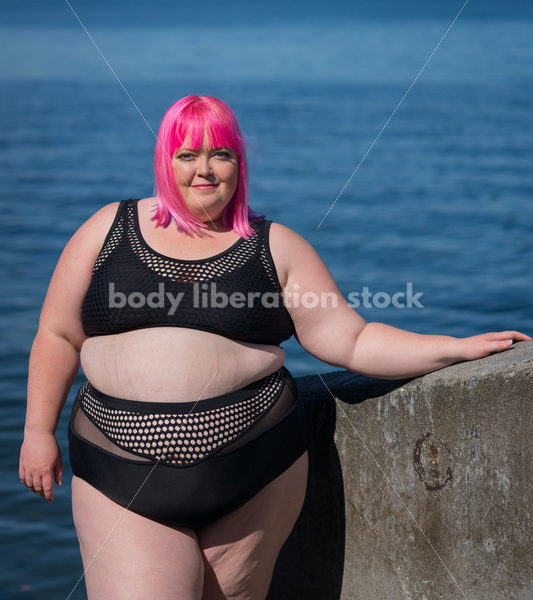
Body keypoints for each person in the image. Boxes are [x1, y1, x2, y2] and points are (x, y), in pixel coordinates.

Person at [19, 95, 530, 600]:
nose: (205, 170)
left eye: (221, 154)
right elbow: (58, 335)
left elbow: (350, 339)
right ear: (163, 161)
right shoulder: (108, 228)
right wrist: (37, 431)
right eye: (187, 154)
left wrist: (455, 347)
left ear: (239, 165)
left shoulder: (276, 246)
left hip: (253, 470)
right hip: (119, 468)